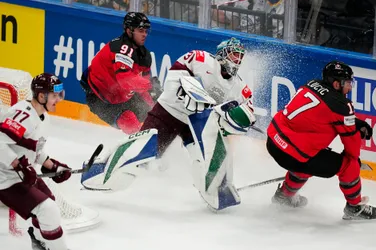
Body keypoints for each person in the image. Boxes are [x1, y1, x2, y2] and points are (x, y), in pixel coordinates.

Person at [81, 38, 256, 211]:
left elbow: (248, 109)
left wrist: (239, 117)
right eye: (234, 55)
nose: (237, 61)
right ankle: (99, 169)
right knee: (144, 151)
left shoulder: (238, 86)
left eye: (240, 57)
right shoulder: (202, 59)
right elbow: (176, 73)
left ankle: (218, 189)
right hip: (169, 112)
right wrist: (186, 92)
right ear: (223, 53)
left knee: (209, 155)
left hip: (197, 123)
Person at [266, 61, 376, 220]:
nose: (350, 87)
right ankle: (354, 208)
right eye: (347, 83)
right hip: (294, 154)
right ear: (336, 84)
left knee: (309, 157)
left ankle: (284, 196)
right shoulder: (342, 105)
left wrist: (353, 122)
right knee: (349, 164)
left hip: (273, 142)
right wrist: (353, 158)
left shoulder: (311, 84)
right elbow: (351, 144)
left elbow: (321, 115)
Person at [0, 73, 72, 250]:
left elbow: (34, 150)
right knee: (48, 210)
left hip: (18, 175)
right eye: (54, 96)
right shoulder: (21, 114)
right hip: (4, 177)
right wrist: (18, 165)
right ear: (41, 96)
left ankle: (40, 241)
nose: (58, 100)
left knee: (50, 202)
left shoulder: (43, 117)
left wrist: (53, 166)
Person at [80, 12, 162, 134]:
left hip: (124, 97)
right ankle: (138, 149)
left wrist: (155, 105)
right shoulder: (121, 48)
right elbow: (125, 81)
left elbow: (144, 89)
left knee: (157, 115)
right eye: (140, 30)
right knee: (129, 121)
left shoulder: (145, 56)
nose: (144, 34)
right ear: (129, 31)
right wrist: (150, 85)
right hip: (101, 100)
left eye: (146, 31)